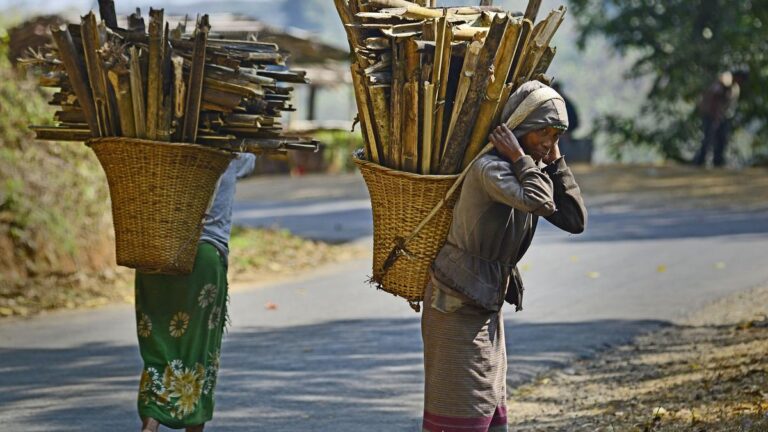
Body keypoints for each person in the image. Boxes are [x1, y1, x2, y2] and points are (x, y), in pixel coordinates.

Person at [421, 81, 587, 432]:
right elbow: (542, 202)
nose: (548, 142)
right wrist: (521, 157)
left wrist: (553, 160)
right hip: (455, 304)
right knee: (462, 410)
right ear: (519, 130)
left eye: (556, 136)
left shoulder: (527, 170)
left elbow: (574, 219)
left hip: (483, 300)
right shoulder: (491, 170)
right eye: (542, 132)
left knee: (489, 409)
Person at [136, 153, 256, 432]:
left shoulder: (157, 153)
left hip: (154, 255)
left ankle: (150, 425)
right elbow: (250, 162)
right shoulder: (230, 152)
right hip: (203, 257)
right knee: (199, 354)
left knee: (158, 348)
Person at [693, 70, 748, 167]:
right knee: (708, 138)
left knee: (722, 139)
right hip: (711, 115)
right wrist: (715, 116)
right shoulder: (721, 85)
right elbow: (714, 100)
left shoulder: (735, 88)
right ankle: (700, 161)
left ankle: (718, 162)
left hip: (723, 116)